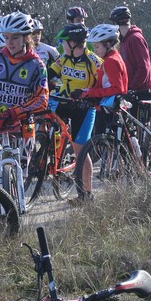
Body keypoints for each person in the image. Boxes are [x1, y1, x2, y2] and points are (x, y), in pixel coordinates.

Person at [70, 23, 128, 201]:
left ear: (108, 44)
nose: (94, 50)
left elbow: (117, 88)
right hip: (107, 105)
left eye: (97, 47)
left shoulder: (111, 61)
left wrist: (89, 92)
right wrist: (88, 92)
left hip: (113, 105)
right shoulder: (110, 57)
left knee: (123, 142)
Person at [48, 22, 102, 193]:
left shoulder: (93, 61)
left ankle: (86, 193)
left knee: (81, 152)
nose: (62, 46)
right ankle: (46, 157)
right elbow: (49, 74)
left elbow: (104, 85)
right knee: (42, 118)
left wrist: (90, 95)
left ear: (72, 43)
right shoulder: (64, 58)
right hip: (64, 102)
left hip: (84, 109)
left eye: (63, 42)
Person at [0, 11, 49, 130]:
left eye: (15, 37)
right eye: (6, 37)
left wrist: (13, 113)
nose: (9, 42)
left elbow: (42, 100)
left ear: (26, 37)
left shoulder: (37, 66)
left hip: (23, 129)